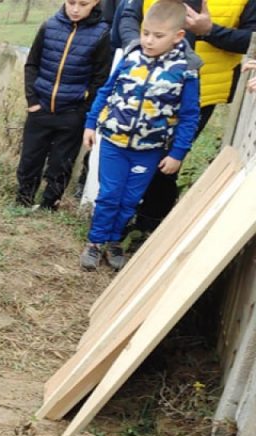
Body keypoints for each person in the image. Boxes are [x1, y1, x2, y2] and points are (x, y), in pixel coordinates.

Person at [80, 0, 200, 270]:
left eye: (158, 36)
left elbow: (189, 115)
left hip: (149, 149)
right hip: (114, 142)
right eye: (146, 32)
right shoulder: (131, 55)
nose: (148, 40)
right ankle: (95, 242)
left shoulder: (186, 70)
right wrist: (90, 124)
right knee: (109, 194)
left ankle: (114, 242)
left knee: (130, 199)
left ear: (178, 36)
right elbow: (106, 91)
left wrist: (177, 153)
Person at [119, 0, 256, 233]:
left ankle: (148, 227)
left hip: (201, 91)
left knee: (167, 160)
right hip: (145, 85)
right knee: (132, 153)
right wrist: (137, 46)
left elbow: (251, 40)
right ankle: (116, 222)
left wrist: (210, 31)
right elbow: (129, 17)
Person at [15, 0, 112, 210]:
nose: (75, 9)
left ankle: (50, 205)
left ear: (96, 3)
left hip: (71, 113)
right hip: (40, 108)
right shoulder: (49, 26)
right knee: (30, 158)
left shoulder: (102, 34)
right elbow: (32, 64)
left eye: (83, 4)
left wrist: (81, 113)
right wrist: (32, 102)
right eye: (71, 2)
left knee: (61, 163)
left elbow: (99, 79)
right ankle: (23, 201)